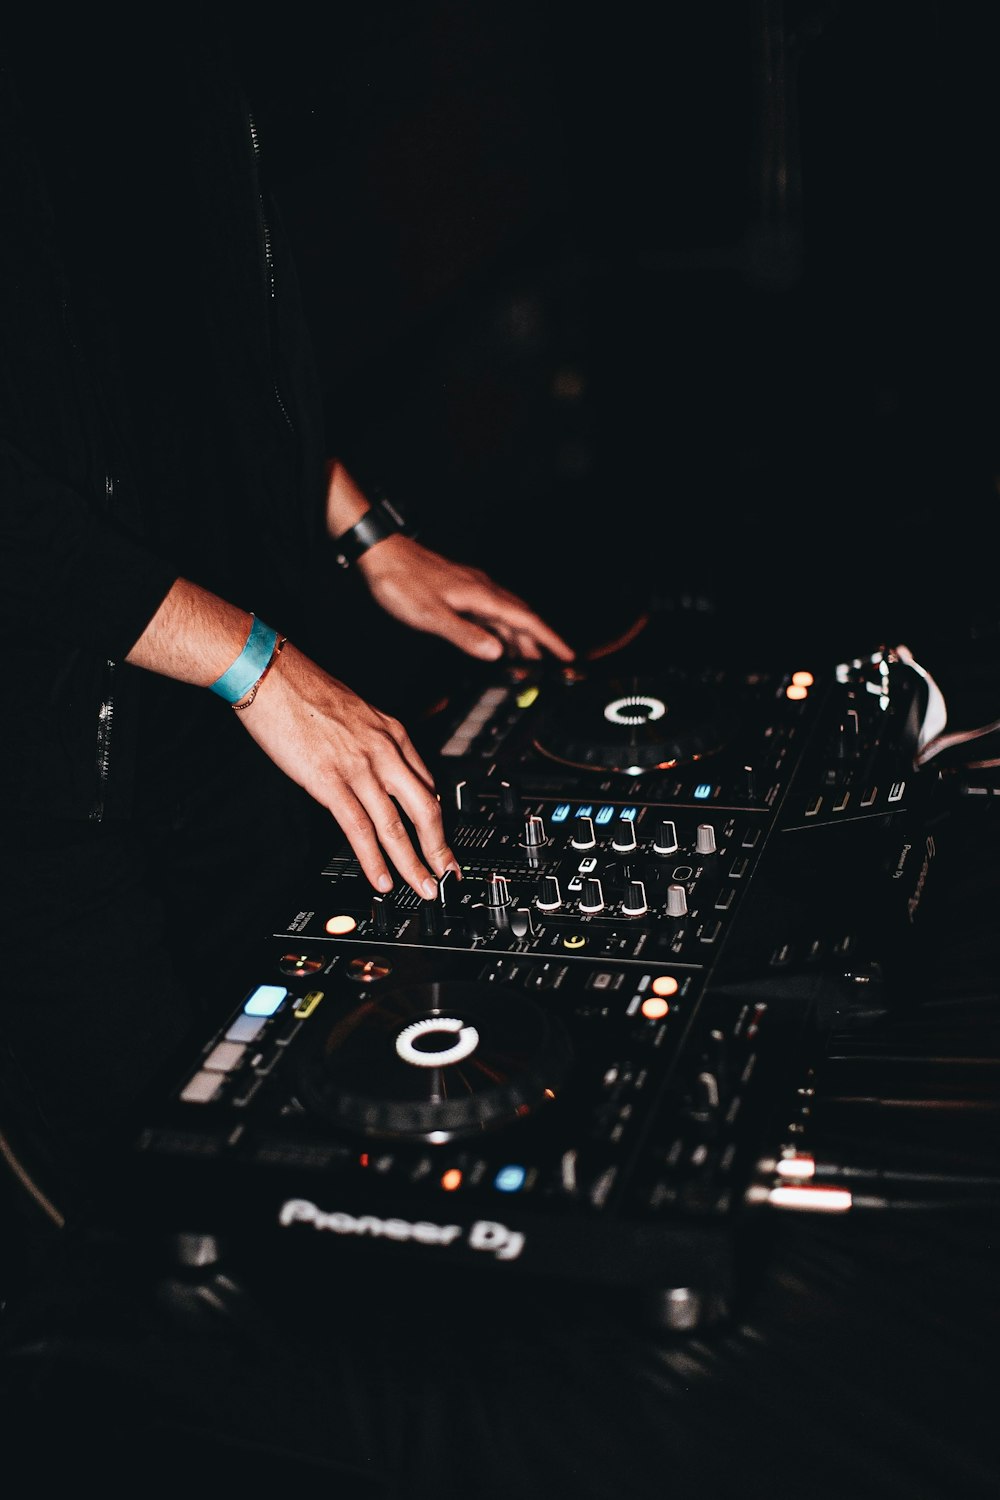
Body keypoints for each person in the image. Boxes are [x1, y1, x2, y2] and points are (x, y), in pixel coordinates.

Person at [0, 20, 574, 1218]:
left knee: (307, 1170)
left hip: (230, 717)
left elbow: (183, 361)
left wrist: (365, 532)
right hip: (52, 783)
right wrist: (258, 667)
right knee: (173, 1233)